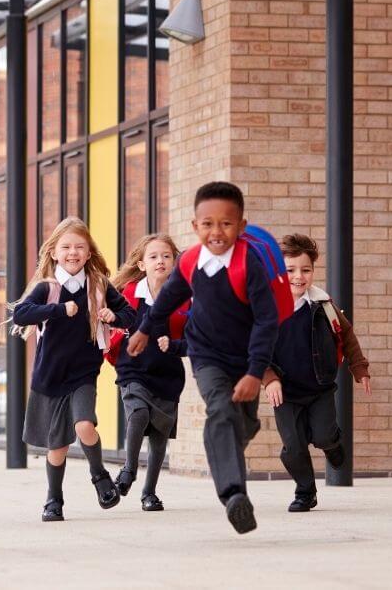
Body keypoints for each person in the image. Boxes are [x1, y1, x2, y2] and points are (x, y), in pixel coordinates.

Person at [127, 181, 279, 534]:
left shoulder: (249, 264)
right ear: (195, 226)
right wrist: (145, 328)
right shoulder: (191, 260)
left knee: (244, 423)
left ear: (241, 226)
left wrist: (256, 372)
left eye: (226, 223)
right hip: (206, 354)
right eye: (207, 223)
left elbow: (267, 321)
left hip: (245, 358)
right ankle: (234, 495)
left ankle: (228, 446)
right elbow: (168, 298)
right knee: (221, 411)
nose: (216, 231)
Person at [9, 217, 136, 522]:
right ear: (54, 252)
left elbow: (130, 314)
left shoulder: (100, 286)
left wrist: (112, 316)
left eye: (80, 247)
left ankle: (99, 476)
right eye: (66, 247)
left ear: (89, 253)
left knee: (84, 425)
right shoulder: (47, 287)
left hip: (83, 374)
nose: (73, 252)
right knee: (58, 446)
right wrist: (57, 310)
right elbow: (21, 315)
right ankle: (54, 500)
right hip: (50, 376)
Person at [262, 233, 370, 512]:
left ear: (312, 271)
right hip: (285, 393)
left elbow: (346, 334)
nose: (299, 276)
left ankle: (332, 443)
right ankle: (305, 492)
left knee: (322, 435)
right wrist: (269, 378)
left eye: (305, 270)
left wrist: (359, 368)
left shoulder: (323, 305)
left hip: (319, 387)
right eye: (290, 270)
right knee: (293, 448)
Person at [107, 233, 190, 512]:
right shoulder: (128, 294)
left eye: (167, 256)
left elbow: (196, 337)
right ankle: (128, 470)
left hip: (167, 372)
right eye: (153, 257)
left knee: (159, 436)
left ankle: (149, 493)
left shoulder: (184, 298)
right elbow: (110, 323)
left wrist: (177, 346)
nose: (160, 261)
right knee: (139, 413)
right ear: (142, 264)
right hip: (133, 367)